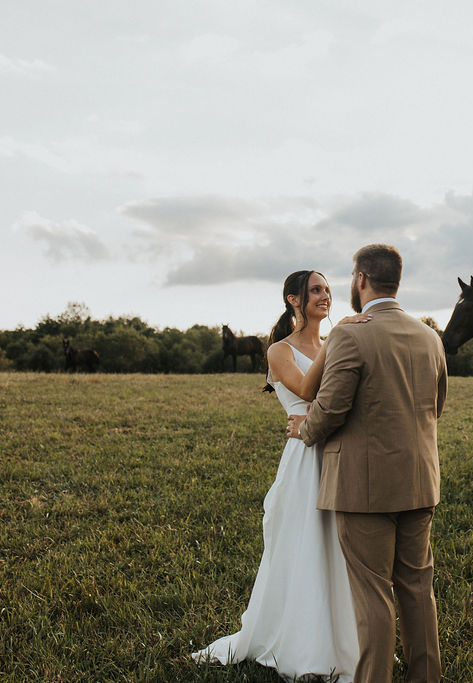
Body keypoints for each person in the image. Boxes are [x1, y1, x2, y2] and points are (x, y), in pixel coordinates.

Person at [192, 269, 370, 681]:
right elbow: (307, 390)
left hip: (337, 450)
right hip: (304, 457)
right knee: (304, 541)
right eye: (315, 291)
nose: (325, 296)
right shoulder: (279, 350)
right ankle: (301, 641)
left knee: (340, 545)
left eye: (327, 289)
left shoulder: (332, 343)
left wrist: (338, 340)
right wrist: (341, 336)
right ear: (293, 299)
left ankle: (345, 638)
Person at [287, 245, 448, 683]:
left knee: (374, 596)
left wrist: (302, 429)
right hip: (420, 482)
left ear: (360, 280)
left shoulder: (349, 334)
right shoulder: (430, 336)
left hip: (363, 488)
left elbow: (331, 408)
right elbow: (437, 405)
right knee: (418, 589)